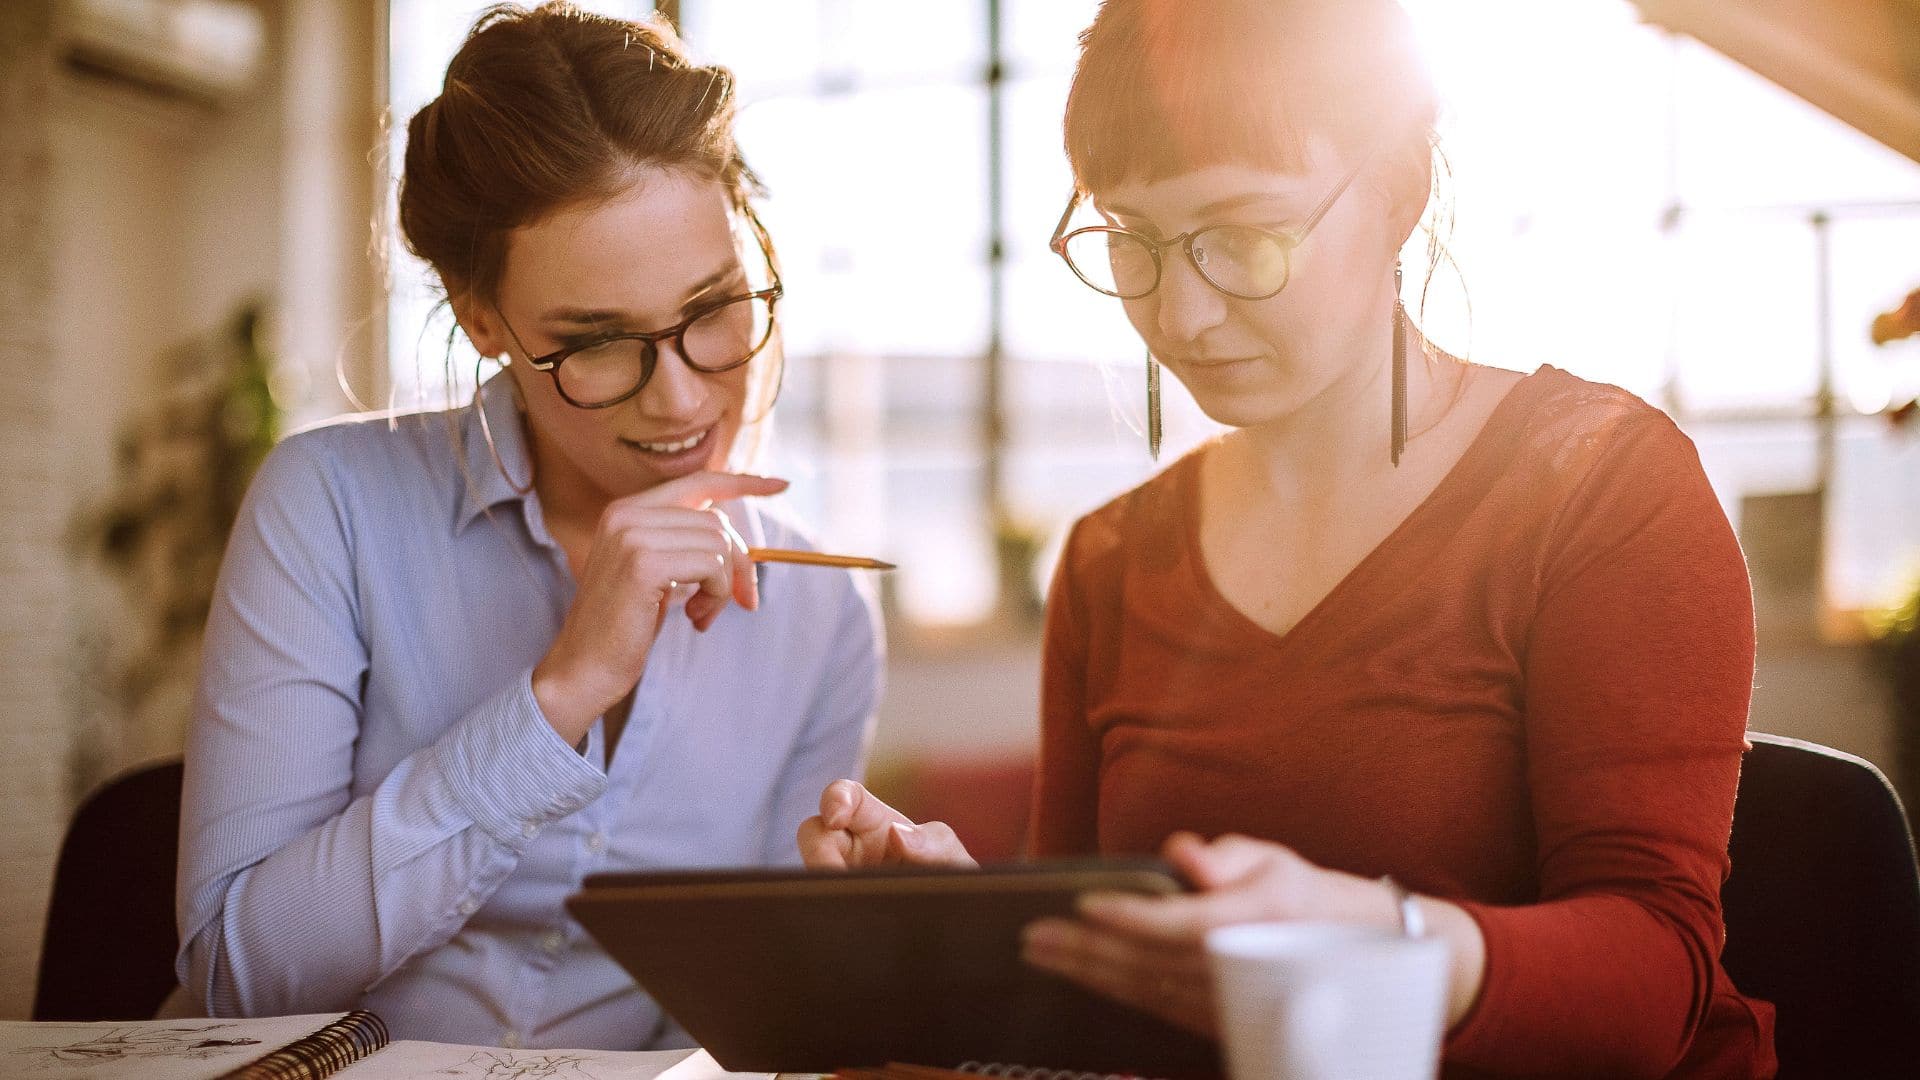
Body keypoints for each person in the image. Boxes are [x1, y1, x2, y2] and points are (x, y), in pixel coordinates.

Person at [797, 1, 1774, 1076]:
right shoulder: (1113, 560)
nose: (1181, 317)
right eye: (1134, 241)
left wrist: (1373, 939)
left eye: (1244, 239)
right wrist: (976, 927)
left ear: (1398, 192)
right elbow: (1098, 1004)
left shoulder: (1595, 488)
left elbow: (1654, 990)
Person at [176, 2, 881, 1049]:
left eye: (714, 307)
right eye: (598, 342)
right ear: (481, 316)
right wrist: (560, 696)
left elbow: (755, 1029)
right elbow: (239, 973)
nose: (684, 401)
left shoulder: (820, 611)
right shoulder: (329, 505)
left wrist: (877, 943)